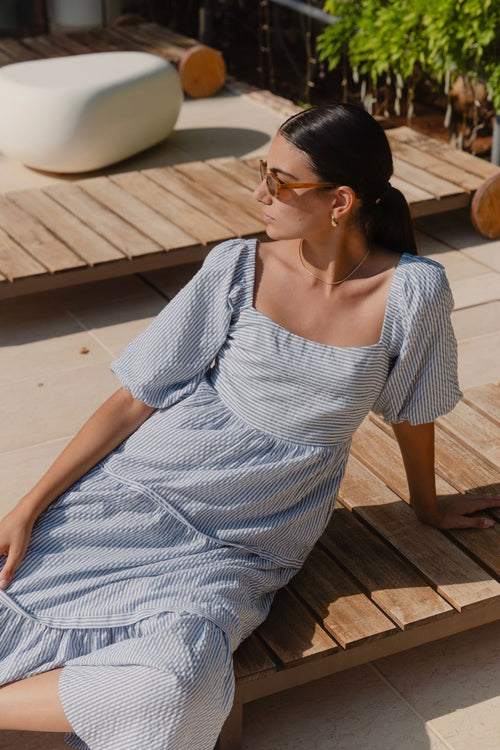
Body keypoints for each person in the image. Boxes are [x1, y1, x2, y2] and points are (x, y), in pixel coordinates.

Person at [0, 103, 498, 750]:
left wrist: (427, 509)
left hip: (243, 542)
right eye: (263, 172)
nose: (260, 193)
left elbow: (413, 410)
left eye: (281, 181)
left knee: (178, 688)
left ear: (340, 200)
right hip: (143, 488)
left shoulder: (413, 292)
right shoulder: (237, 266)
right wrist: (30, 505)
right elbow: (137, 397)